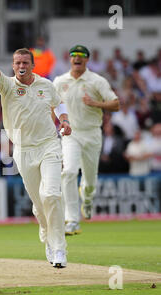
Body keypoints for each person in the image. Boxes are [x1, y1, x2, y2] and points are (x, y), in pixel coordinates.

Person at [0, 25, 72, 268]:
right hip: (23, 150)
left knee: (51, 194)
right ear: (13, 66)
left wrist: (64, 120)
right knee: (39, 204)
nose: (21, 66)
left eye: (25, 62)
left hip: (49, 145)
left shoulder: (46, 85)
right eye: (17, 63)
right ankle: (46, 233)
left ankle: (59, 249)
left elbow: (59, 104)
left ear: (32, 65)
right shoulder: (8, 86)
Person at [53, 45, 120, 235]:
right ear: (70, 59)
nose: (77, 59)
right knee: (69, 172)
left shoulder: (96, 81)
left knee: (90, 181)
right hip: (70, 133)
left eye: (81, 56)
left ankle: (88, 200)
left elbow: (115, 103)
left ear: (87, 60)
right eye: (74, 55)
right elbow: (53, 105)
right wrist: (52, 126)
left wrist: (95, 103)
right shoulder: (60, 81)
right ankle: (72, 220)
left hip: (91, 133)